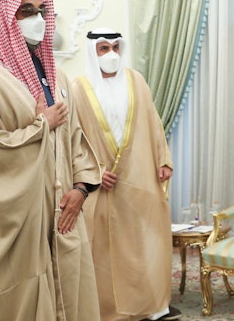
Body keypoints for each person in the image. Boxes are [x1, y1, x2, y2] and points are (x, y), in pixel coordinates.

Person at [0, 0, 102, 321]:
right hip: (18, 219)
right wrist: (41, 125)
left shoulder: (56, 75)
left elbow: (75, 139)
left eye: (41, 11)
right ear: (5, 19)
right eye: (26, 11)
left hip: (63, 213)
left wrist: (80, 189)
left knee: (71, 295)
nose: (37, 19)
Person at [71, 28, 180, 321]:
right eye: (103, 48)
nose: (111, 55)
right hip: (101, 183)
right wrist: (93, 172)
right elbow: (74, 138)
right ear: (93, 53)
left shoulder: (136, 80)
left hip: (139, 173)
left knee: (144, 241)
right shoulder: (78, 88)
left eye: (116, 48)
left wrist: (163, 158)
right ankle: (107, 310)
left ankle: (150, 304)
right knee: (104, 249)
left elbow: (152, 119)